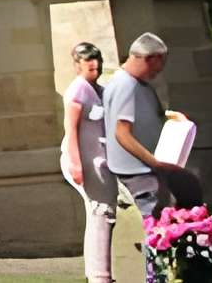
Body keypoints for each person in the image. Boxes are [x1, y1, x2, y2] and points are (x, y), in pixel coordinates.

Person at [104, 33, 200, 283]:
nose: (160, 71)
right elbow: (122, 133)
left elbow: (148, 115)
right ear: (151, 58)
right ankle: (156, 277)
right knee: (155, 230)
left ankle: (163, 274)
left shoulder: (132, 83)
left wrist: (171, 117)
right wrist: (154, 162)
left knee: (164, 221)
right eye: (160, 64)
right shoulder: (126, 85)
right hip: (139, 172)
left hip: (144, 170)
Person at [64, 41, 116, 283]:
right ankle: (100, 277)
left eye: (97, 68)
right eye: (89, 69)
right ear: (77, 66)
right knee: (101, 214)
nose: (95, 73)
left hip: (101, 160)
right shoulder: (78, 91)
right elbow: (71, 128)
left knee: (101, 215)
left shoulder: (99, 90)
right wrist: (76, 163)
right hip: (87, 161)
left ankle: (97, 274)